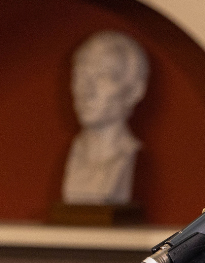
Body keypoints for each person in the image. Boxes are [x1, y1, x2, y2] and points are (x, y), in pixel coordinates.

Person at [61, 30, 147, 206]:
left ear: (134, 91)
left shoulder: (127, 155)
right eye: (81, 76)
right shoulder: (76, 153)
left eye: (103, 76)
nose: (86, 91)